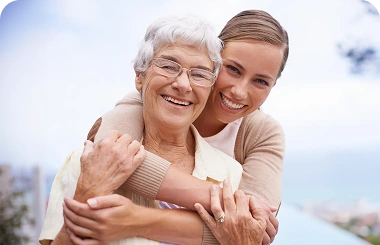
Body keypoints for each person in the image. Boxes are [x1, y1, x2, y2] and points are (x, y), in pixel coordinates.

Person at [61, 9, 289, 245]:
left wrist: (133, 220)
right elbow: (109, 159)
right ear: (214, 61)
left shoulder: (262, 133)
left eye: (261, 81)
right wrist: (222, 201)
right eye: (233, 69)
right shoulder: (147, 100)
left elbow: (253, 229)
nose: (239, 91)